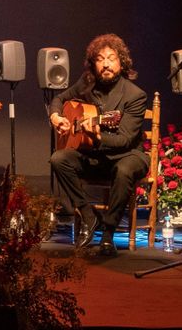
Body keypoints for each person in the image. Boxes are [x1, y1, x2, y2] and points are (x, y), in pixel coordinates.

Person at [47, 34, 150, 256]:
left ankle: (108, 234)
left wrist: (97, 136)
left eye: (111, 58)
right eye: (100, 59)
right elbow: (59, 99)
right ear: (93, 63)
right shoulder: (87, 83)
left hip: (128, 154)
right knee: (58, 159)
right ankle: (88, 215)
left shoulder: (135, 95)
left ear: (122, 62)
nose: (106, 64)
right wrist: (56, 117)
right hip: (95, 154)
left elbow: (124, 140)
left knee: (124, 170)